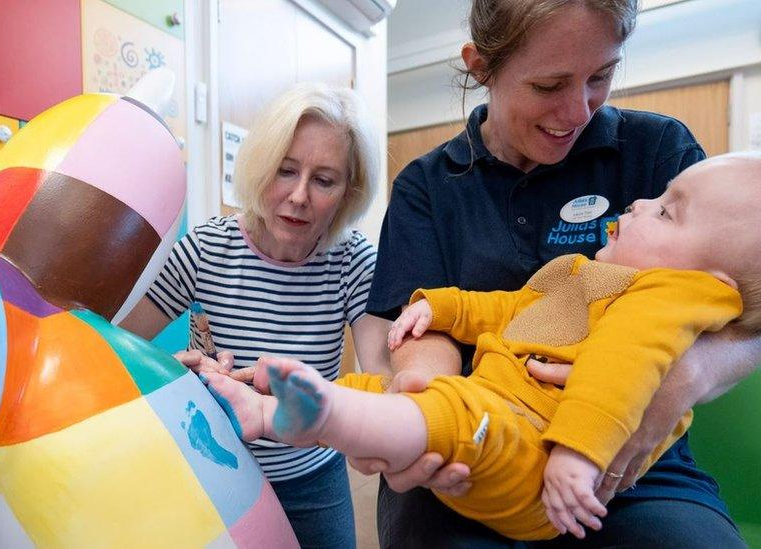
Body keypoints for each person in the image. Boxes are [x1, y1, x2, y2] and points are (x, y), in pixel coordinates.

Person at [361, 0, 761, 546]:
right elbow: (421, 324)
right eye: (549, 86)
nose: (579, 111)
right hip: (482, 428)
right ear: (480, 66)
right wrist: (430, 408)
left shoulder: (659, 151)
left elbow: (743, 303)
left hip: (633, 458)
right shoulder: (427, 187)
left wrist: (669, 384)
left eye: (601, 75)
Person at [201, 153, 761, 542]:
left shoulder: (670, 295)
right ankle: (269, 409)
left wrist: (577, 456)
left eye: (665, 211)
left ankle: (321, 412)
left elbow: (624, 367)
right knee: (380, 391)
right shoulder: (584, 274)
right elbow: (506, 308)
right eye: (547, 85)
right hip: (500, 406)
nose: (639, 203)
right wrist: (440, 307)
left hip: (542, 455)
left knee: (448, 413)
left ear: (714, 282)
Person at [120, 82, 390, 548]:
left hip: (312, 475)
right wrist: (173, 373)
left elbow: (384, 381)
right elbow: (116, 345)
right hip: (216, 469)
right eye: (286, 171)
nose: (299, 196)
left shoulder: (353, 262)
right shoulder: (207, 249)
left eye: (324, 180)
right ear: (261, 165)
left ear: (349, 191)